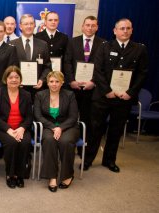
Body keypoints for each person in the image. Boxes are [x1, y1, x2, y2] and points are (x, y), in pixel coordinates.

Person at [84, 18, 148, 173]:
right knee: (95, 129)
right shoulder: (105, 47)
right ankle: (88, 160)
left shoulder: (139, 49)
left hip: (123, 98)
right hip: (103, 97)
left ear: (132, 30)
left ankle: (109, 160)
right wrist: (107, 91)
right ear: (115, 31)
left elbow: (142, 74)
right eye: (122, 28)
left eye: (127, 28)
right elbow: (98, 70)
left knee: (115, 130)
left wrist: (130, 93)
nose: (125, 31)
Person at [63, 16, 105, 156]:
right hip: (73, 88)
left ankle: (84, 150)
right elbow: (67, 62)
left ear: (97, 27)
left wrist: (93, 81)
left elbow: (103, 67)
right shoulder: (72, 42)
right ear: (82, 26)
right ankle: (70, 146)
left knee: (89, 121)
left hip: (92, 89)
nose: (90, 28)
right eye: (87, 25)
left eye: (93, 25)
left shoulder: (103, 43)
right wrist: (71, 81)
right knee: (71, 118)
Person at [34, 71, 79, 192]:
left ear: (62, 82)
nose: (54, 84)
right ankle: (52, 176)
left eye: (57, 81)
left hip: (68, 126)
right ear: (47, 83)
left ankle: (68, 175)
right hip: (49, 126)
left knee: (66, 141)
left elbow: (73, 117)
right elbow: (38, 116)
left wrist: (61, 128)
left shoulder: (70, 95)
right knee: (49, 140)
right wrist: (53, 127)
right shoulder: (40, 95)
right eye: (51, 81)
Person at [0, 66, 32, 188]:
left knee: (25, 142)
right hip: (3, 128)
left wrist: (22, 128)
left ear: (20, 79)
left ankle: (20, 175)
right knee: (11, 143)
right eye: (11, 77)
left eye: (17, 77)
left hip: (20, 128)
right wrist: (9, 130)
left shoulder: (26, 95)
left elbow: (29, 117)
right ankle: (10, 174)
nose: (14, 80)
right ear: (6, 79)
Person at [10, 14, 52, 99]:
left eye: (31, 23)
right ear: (20, 26)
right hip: (17, 89)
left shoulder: (43, 44)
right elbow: (8, 67)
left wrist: (42, 80)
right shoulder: (11, 44)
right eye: (26, 24)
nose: (29, 26)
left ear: (34, 25)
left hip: (37, 90)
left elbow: (47, 66)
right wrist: (14, 80)